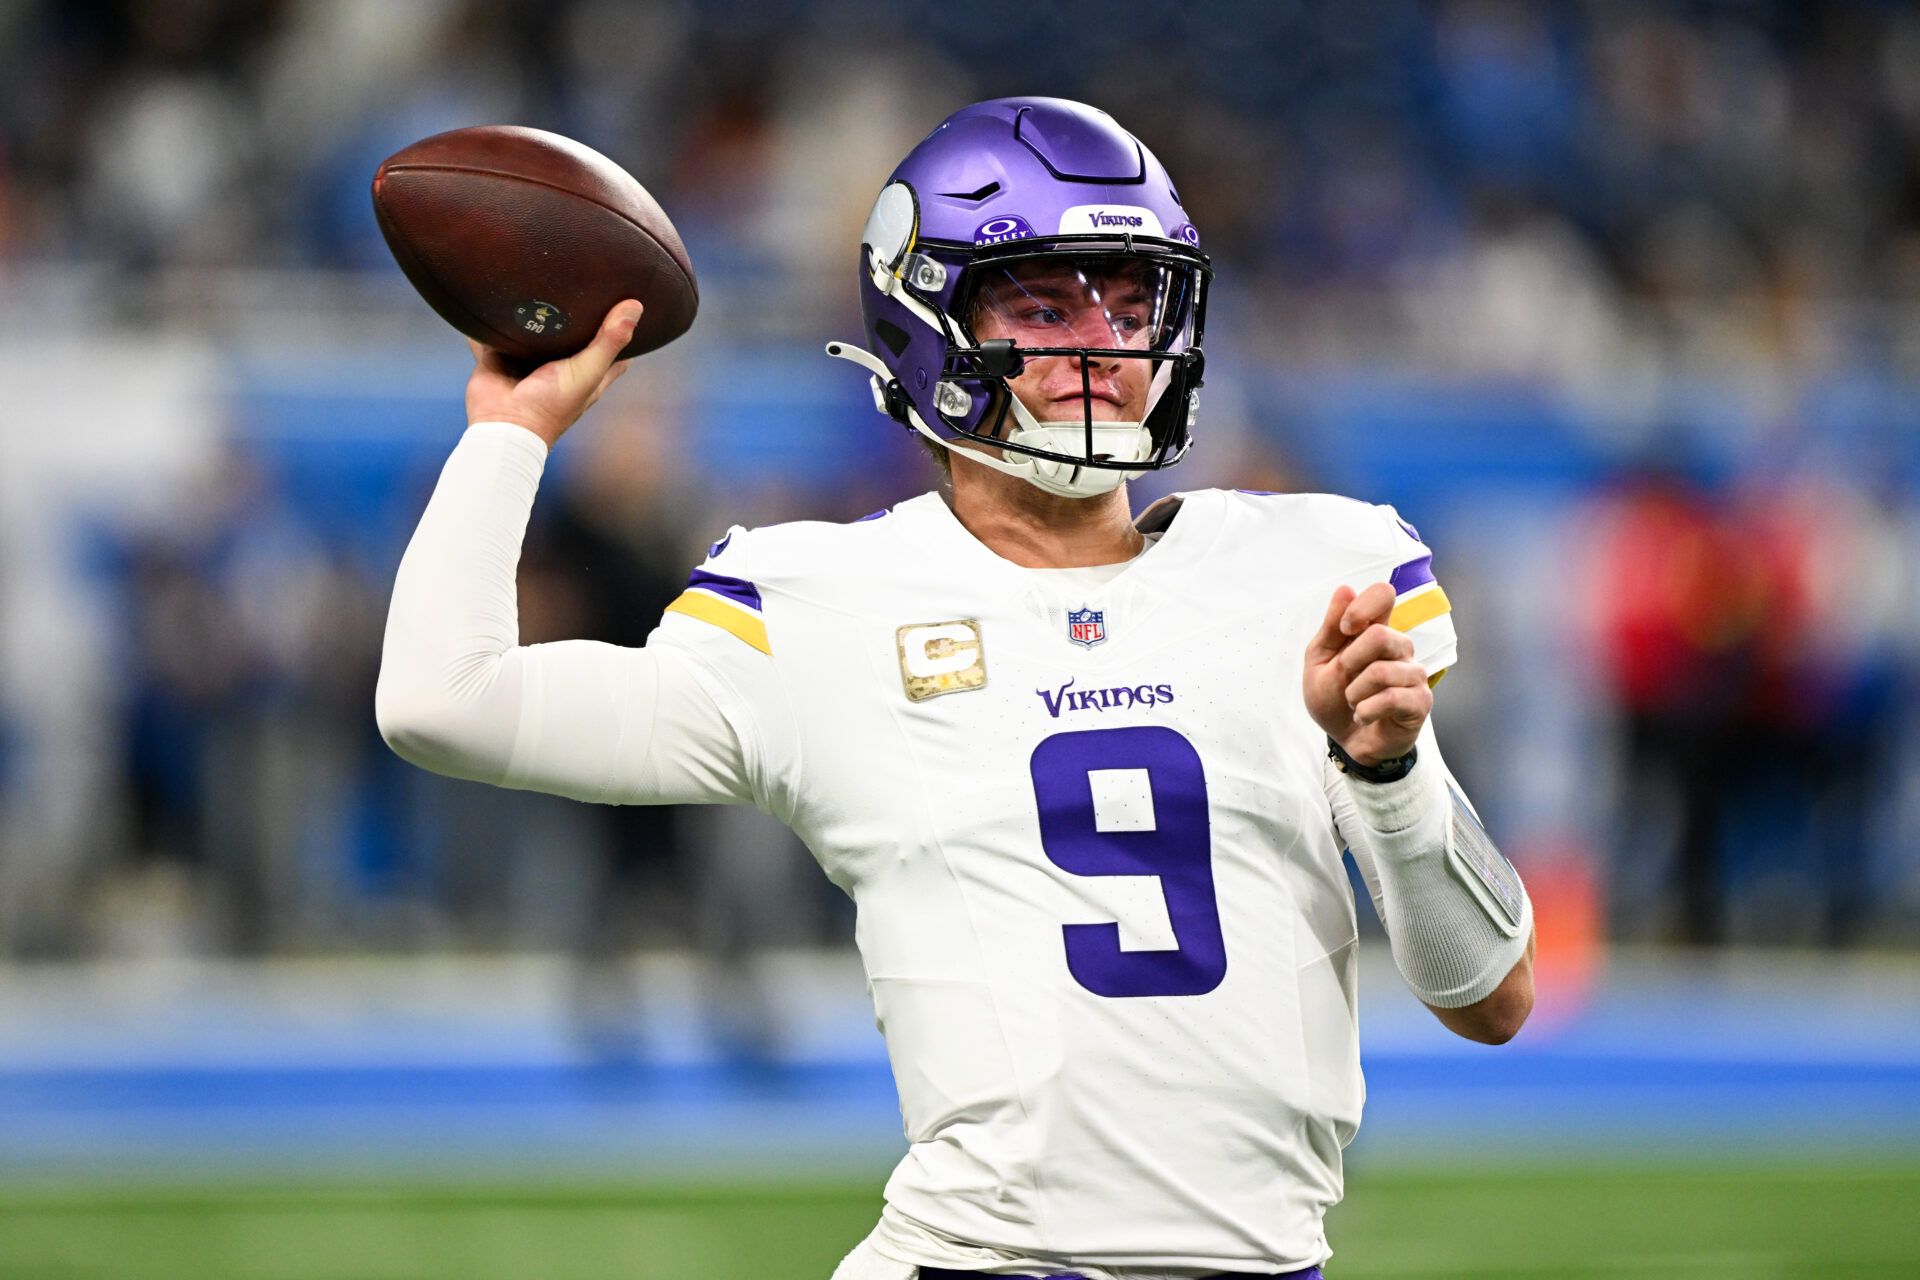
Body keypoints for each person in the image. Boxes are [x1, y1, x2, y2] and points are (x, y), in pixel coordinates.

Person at [377, 97, 1536, 1280]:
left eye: (1129, 301)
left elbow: (1491, 996)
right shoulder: (819, 601)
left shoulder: (1311, 571)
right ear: (928, 321)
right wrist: (509, 434)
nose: (1106, 345)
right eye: (1044, 305)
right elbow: (442, 699)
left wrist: (1388, 772)